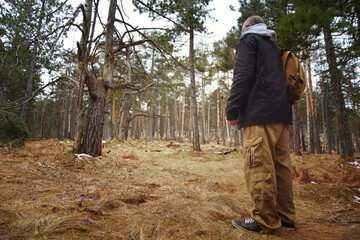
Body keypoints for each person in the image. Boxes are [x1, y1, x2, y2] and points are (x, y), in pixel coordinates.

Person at [226, 16, 296, 234]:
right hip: (281, 116)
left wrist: (232, 109)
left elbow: (242, 75)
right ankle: (286, 219)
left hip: (259, 116)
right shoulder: (275, 48)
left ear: (246, 27)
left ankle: (266, 221)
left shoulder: (249, 40)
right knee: (281, 168)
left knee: (259, 166)